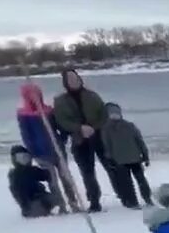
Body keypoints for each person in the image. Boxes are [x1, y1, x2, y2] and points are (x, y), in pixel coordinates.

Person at [53, 68, 111, 212]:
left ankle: (126, 196)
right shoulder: (60, 101)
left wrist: (93, 127)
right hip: (79, 140)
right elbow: (61, 121)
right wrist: (79, 128)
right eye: (70, 79)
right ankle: (94, 201)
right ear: (65, 82)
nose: (74, 81)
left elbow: (104, 115)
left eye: (75, 78)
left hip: (99, 137)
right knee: (87, 172)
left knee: (112, 167)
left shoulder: (92, 96)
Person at [16, 82, 78, 212]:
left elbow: (60, 127)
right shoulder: (24, 115)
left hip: (58, 150)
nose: (36, 98)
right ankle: (62, 206)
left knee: (66, 178)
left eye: (37, 94)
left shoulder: (49, 111)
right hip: (41, 153)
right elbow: (27, 136)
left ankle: (74, 203)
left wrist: (62, 140)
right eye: (32, 95)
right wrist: (34, 153)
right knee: (52, 181)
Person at [99, 102, 152, 209]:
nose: (115, 115)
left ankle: (147, 199)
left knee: (141, 180)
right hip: (120, 161)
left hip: (134, 159)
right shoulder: (106, 129)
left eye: (116, 112)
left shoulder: (129, 126)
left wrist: (145, 155)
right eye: (112, 113)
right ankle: (133, 201)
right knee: (128, 183)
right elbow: (107, 145)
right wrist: (109, 159)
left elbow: (139, 141)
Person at [7, 146, 57, 217]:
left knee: (55, 198)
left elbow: (44, 175)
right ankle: (40, 213)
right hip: (29, 205)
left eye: (26, 157)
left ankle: (44, 210)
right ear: (15, 159)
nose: (25, 160)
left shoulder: (31, 170)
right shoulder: (15, 175)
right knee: (38, 208)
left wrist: (47, 166)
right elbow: (19, 194)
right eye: (21, 158)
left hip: (40, 198)